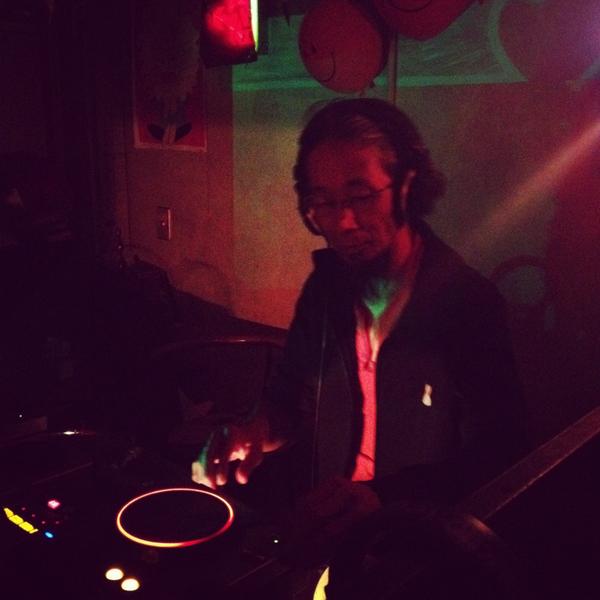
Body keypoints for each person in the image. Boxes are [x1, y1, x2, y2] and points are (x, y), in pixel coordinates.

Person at [192, 97, 527, 546]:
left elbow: (501, 454)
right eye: (323, 202)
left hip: (422, 545)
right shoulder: (324, 289)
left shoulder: (468, 303)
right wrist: (253, 431)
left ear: (406, 187)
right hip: (332, 532)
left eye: (360, 196)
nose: (344, 222)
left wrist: (383, 498)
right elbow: (286, 401)